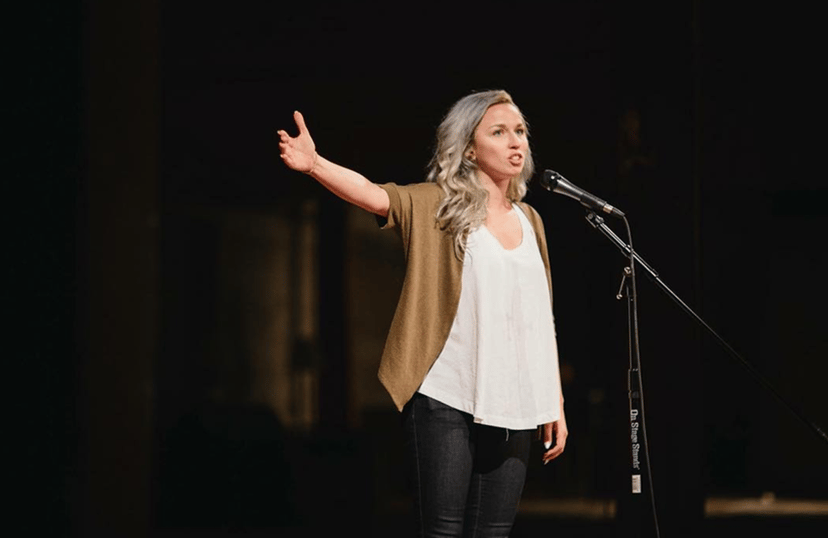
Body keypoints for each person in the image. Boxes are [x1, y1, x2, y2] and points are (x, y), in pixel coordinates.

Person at [278, 89, 567, 537]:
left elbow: (539, 319)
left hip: (513, 403)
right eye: (499, 132)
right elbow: (376, 196)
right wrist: (315, 164)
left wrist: (554, 400)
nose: (516, 142)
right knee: (442, 531)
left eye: (520, 131)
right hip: (446, 396)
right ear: (469, 149)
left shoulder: (531, 221)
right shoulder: (438, 205)